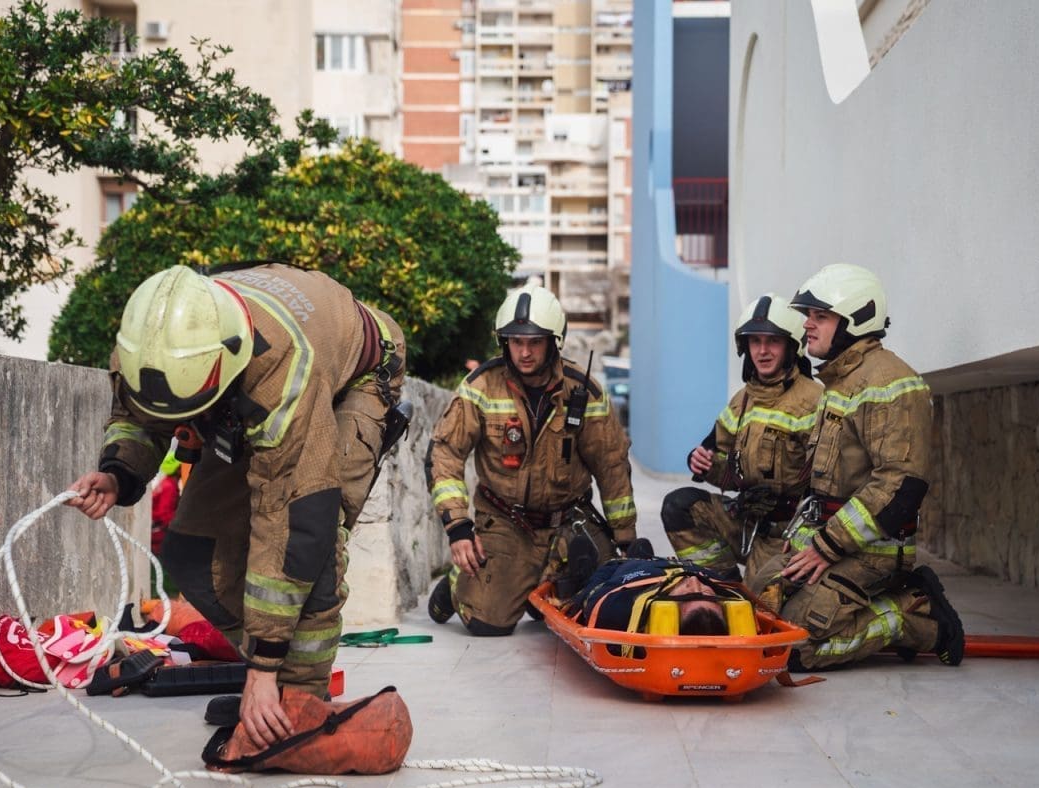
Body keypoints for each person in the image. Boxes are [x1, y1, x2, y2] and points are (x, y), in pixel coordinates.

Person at [67, 263, 406, 748]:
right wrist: (120, 472)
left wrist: (265, 667)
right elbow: (137, 416)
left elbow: (292, 523)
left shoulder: (282, 370)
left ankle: (299, 706)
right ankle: (273, 686)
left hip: (360, 376)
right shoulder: (150, 340)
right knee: (192, 555)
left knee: (315, 544)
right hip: (239, 390)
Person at [749, 263, 964, 670]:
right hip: (827, 539)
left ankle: (915, 616)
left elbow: (899, 486)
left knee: (791, 647)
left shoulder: (888, 383)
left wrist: (826, 547)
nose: (807, 325)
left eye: (820, 316)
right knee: (757, 601)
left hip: (873, 553)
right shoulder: (840, 381)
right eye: (809, 315)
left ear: (855, 320)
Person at [424, 285, 645, 635]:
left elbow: (611, 465)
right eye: (515, 342)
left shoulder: (583, 390)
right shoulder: (480, 386)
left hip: (570, 519)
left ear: (553, 342)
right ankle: (458, 587)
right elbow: (445, 452)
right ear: (504, 342)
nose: (524, 352)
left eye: (535, 342)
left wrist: (626, 537)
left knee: (603, 599)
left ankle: (535, 584)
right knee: (488, 624)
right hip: (506, 521)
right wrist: (458, 527)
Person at [661, 293, 822, 586]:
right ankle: (724, 585)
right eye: (755, 341)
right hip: (748, 523)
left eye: (772, 341)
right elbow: (719, 460)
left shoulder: (815, 400)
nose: (763, 351)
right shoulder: (742, 401)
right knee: (679, 506)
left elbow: (831, 483)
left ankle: (750, 590)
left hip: (791, 534)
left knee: (763, 605)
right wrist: (701, 463)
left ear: (790, 347)